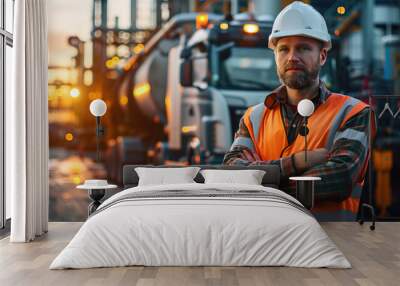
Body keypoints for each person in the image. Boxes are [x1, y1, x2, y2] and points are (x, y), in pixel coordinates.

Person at [223, 1, 376, 220]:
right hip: (267, 244)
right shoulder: (253, 118)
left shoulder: (353, 113)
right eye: (283, 49)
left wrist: (262, 187)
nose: (292, 57)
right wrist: (296, 163)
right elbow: (232, 173)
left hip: (331, 245)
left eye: (303, 48)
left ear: (322, 56)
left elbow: (339, 178)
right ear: (275, 56)